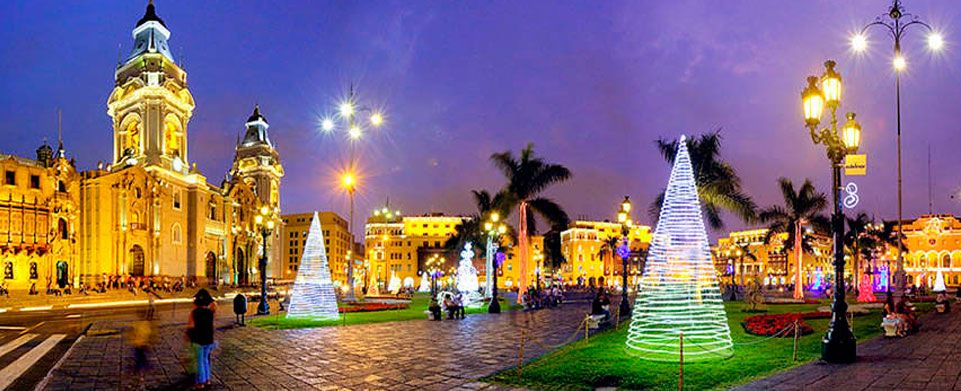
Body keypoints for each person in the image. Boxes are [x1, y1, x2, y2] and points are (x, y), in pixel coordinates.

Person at [188, 289, 216, 389]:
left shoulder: (194, 313)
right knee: (205, 360)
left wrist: (188, 337)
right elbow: (212, 327)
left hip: (198, 340)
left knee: (199, 361)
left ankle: (200, 382)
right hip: (208, 340)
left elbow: (191, 326)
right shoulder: (210, 313)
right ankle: (207, 379)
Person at [128, 309, 157, 387]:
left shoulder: (137, 324)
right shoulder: (146, 324)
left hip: (138, 345)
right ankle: (140, 374)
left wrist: (133, 340)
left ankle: (139, 374)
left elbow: (132, 333)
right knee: (142, 360)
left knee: (140, 360)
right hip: (143, 345)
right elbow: (150, 334)